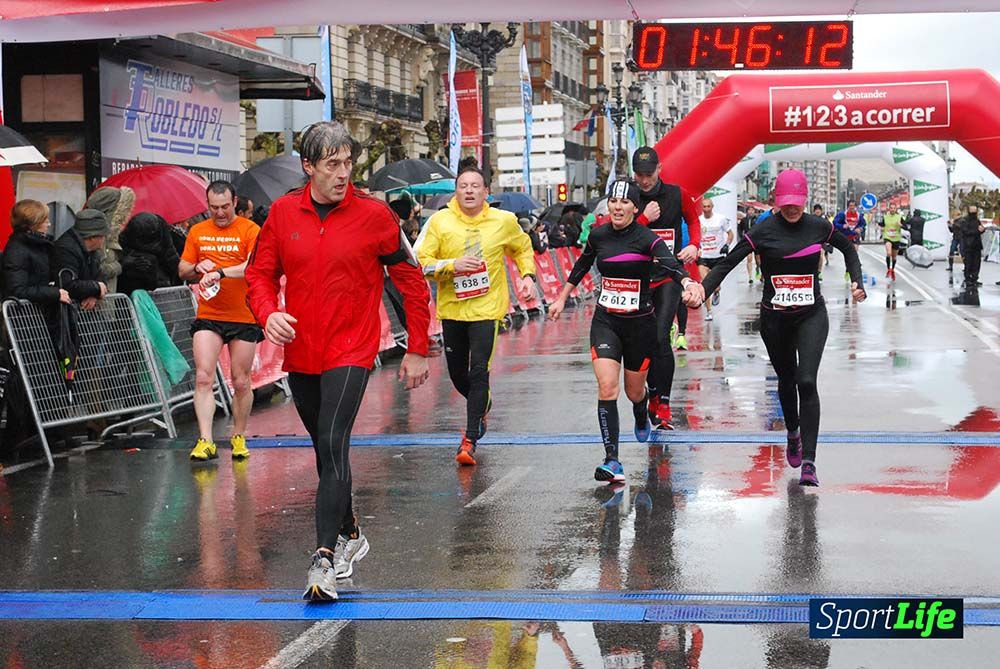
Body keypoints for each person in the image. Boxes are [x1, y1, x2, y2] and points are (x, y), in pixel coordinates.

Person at [246, 121, 431, 602]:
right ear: (309, 166)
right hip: (302, 348)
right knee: (325, 450)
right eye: (332, 164)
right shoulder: (283, 213)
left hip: (352, 347)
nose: (343, 173)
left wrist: (417, 347)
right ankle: (349, 529)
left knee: (333, 440)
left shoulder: (375, 215)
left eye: (348, 163)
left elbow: (411, 281)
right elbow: (259, 276)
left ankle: (323, 559)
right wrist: (268, 315)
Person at [695, 169, 866, 487]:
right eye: (786, 202)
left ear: (805, 199)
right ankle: (792, 432)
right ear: (777, 200)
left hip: (811, 315)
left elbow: (847, 247)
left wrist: (856, 280)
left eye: (796, 202)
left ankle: (810, 462)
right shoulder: (763, 230)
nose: (791, 208)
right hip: (775, 319)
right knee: (786, 380)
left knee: (806, 381)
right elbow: (728, 263)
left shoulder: (818, 226)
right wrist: (702, 290)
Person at [547, 180, 702, 483]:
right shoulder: (599, 235)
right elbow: (582, 265)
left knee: (633, 392)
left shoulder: (647, 238)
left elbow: (670, 264)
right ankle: (612, 460)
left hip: (639, 325)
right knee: (607, 387)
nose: (617, 207)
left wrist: (687, 282)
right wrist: (562, 297)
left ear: (635, 207)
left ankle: (641, 409)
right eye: (613, 202)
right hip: (606, 322)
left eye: (624, 202)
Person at [418, 159, 536, 466]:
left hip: (487, 309)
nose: (469, 191)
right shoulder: (440, 222)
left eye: (475, 186)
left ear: (486, 191)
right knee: (459, 375)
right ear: (455, 192)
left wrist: (527, 277)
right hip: (453, 309)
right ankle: (483, 402)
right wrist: (451, 265)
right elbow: (422, 262)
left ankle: (469, 440)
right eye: (463, 186)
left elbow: (522, 247)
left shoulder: (503, 221)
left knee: (479, 370)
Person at [178, 181, 262, 462]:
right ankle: (205, 441)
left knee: (241, 381)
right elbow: (182, 269)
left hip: (243, 316)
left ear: (234, 202)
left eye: (225, 206)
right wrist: (196, 267)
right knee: (203, 377)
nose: (220, 213)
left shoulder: (250, 230)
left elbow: (253, 267)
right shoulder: (198, 231)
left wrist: (220, 272)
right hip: (209, 315)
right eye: (214, 208)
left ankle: (238, 435)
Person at [631, 146, 702, 429]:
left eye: (649, 174)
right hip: (638, 279)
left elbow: (693, 220)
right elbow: (619, 231)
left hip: (667, 276)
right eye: (639, 175)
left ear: (659, 169)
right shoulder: (629, 196)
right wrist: (644, 218)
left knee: (661, 337)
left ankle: (664, 402)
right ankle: (652, 394)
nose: (644, 180)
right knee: (645, 341)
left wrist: (694, 245)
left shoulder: (676, 194)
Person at [52, 209, 110, 311]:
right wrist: (96, 287)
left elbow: (100, 276)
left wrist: (95, 294)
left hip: (83, 311)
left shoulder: (93, 251)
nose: (104, 239)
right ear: (92, 237)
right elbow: (67, 284)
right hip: (65, 311)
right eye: (102, 236)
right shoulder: (66, 250)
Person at [84, 186, 136, 294]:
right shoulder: (97, 235)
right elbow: (99, 269)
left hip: (108, 294)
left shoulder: (113, 234)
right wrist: (120, 265)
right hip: (99, 296)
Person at [117, 212, 181, 295]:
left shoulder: (163, 235)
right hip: (133, 285)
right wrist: (126, 263)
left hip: (161, 284)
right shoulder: (127, 238)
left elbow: (172, 261)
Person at [696, 198, 734, 321]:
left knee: (715, 286)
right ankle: (709, 311)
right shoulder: (698, 220)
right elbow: (695, 235)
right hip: (704, 256)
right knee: (705, 284)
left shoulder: (720, 219)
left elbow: (730, 233)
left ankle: (717, 291)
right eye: (704, 207)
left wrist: (727, 245)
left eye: (708, 206)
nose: (706, 209)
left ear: (712, 207)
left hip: (718, 256)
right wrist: (696, 247)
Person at [833, 199, 866, 282]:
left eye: (853, 206)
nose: (852, 207)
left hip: (855, 236)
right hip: (846, 237)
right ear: (848, 206)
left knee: (854, 252)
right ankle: (848, 269)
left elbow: (863, 224)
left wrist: (860, 228)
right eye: (850, 206)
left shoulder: (859, 215)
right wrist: (842, 226)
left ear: (855, 207)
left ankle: (854, 269)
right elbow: (835, 223)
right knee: (848, 254)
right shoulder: (843, 214)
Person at [956, 205, 985, 288]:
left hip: (977, 245)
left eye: (975, 211)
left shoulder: (977, 220)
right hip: (968, 245)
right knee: (969, 263)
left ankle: (975, 278)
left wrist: (982, 230)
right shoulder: (965, 220)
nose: (974, 213)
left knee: (977, 263)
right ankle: (968, 279)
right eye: (972, 211)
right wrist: (977, 231)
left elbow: (980, 229)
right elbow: (965, 232)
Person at [880, 202, 904, 281]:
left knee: (894, 257)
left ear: (896, 209)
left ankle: (892, 269)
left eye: (894, 208)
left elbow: (906, 226)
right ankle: (888, 269)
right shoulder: (885, 217)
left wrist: (901, 225)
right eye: (891, 208)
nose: (892, 209)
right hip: (887, 237)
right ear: (889, 209)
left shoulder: (899, 217)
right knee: (889, 253)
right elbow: (881, 224)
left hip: (896, 238)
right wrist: (881, 228)